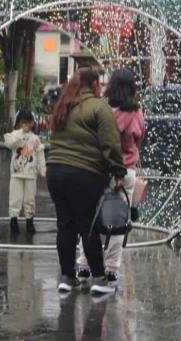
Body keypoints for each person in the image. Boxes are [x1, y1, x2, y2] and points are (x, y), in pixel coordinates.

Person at [46, 67, 126, 296]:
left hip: (55, 172)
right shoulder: (99, 108)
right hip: (83, 174)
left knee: (65, 225)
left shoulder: (64, 105)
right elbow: (111, 144)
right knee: (87, 225)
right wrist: (118, 174)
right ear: (93, 85)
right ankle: (100, 279)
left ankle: (67, 277)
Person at [76, 69, 145, 289]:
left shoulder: (103, 110)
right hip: (127, 172)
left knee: (91, 217)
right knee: (119, 221)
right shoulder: (136, 112)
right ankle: (112, 269)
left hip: (102, 169)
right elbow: (139, 136)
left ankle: (84, 264)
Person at [4, 110, 46, 235]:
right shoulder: (14, 135)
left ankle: (29, 220)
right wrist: (20, 134)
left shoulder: (35, 139)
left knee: (30, 198)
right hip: (16, 173)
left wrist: (42, 169)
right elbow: (9, 144)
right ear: (19, 123)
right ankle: (13, 220)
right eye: (24, 122)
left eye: (29, 122)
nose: (27, 125)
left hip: (31, 174)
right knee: (15, 198)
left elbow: (40, 154)